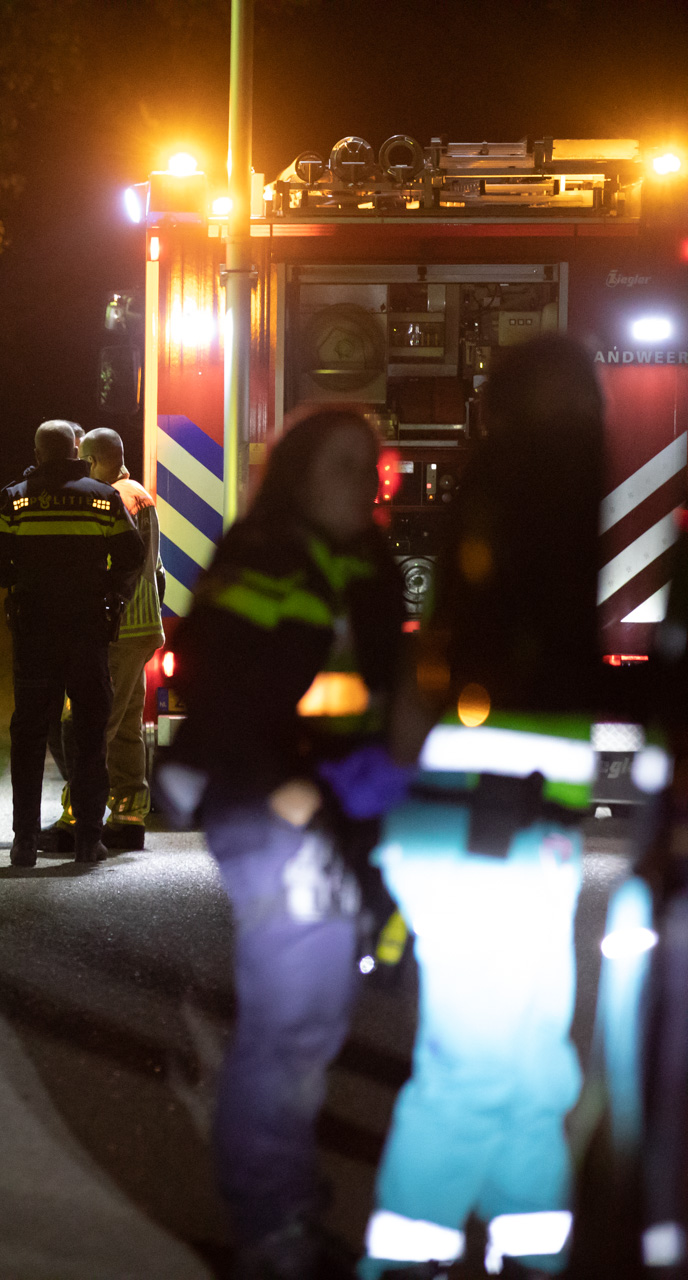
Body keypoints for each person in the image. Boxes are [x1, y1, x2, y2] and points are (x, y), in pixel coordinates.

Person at [357, 337, 608, 1280]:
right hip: (491, 821)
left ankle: (529, 1246)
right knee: (476, 1071)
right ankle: (408, 1259)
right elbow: (505, 668)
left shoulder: (510, 491)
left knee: (533, 1071)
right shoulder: (539, 499)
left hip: (502, 822)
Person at [158, 405, 408, 1280]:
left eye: (368, 464)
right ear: (298, 472)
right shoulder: (268, 554)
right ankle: (272, 1232)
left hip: (339, 810)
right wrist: (296, 791)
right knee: (292, 1026)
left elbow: (380, 694)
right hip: (274, 810)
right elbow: (219, 687)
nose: (360, 478)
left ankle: (286, 1214)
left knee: (314, 1021)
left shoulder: (367, 563)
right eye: (340, 463)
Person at [0, 419, 143, 866]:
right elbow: (133, 556)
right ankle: (89, 840)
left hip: (34, 633)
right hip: (87, 631)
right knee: (90, 735)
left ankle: (24, 842)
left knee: (29, 734)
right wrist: (111, 597)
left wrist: (23, 583)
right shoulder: (104, 497)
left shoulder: (15, 498)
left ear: (37, 454)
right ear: (75, 450)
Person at [45, 427, 168, 851]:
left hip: (118, 630)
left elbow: (107, 566)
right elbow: (157, 569)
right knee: (129, 728)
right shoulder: (141, 494)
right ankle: (129, 817)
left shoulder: (108, 499)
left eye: (83, 460)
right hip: (145, 626)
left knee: (94, 725)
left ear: (95, 461)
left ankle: (75, 819)